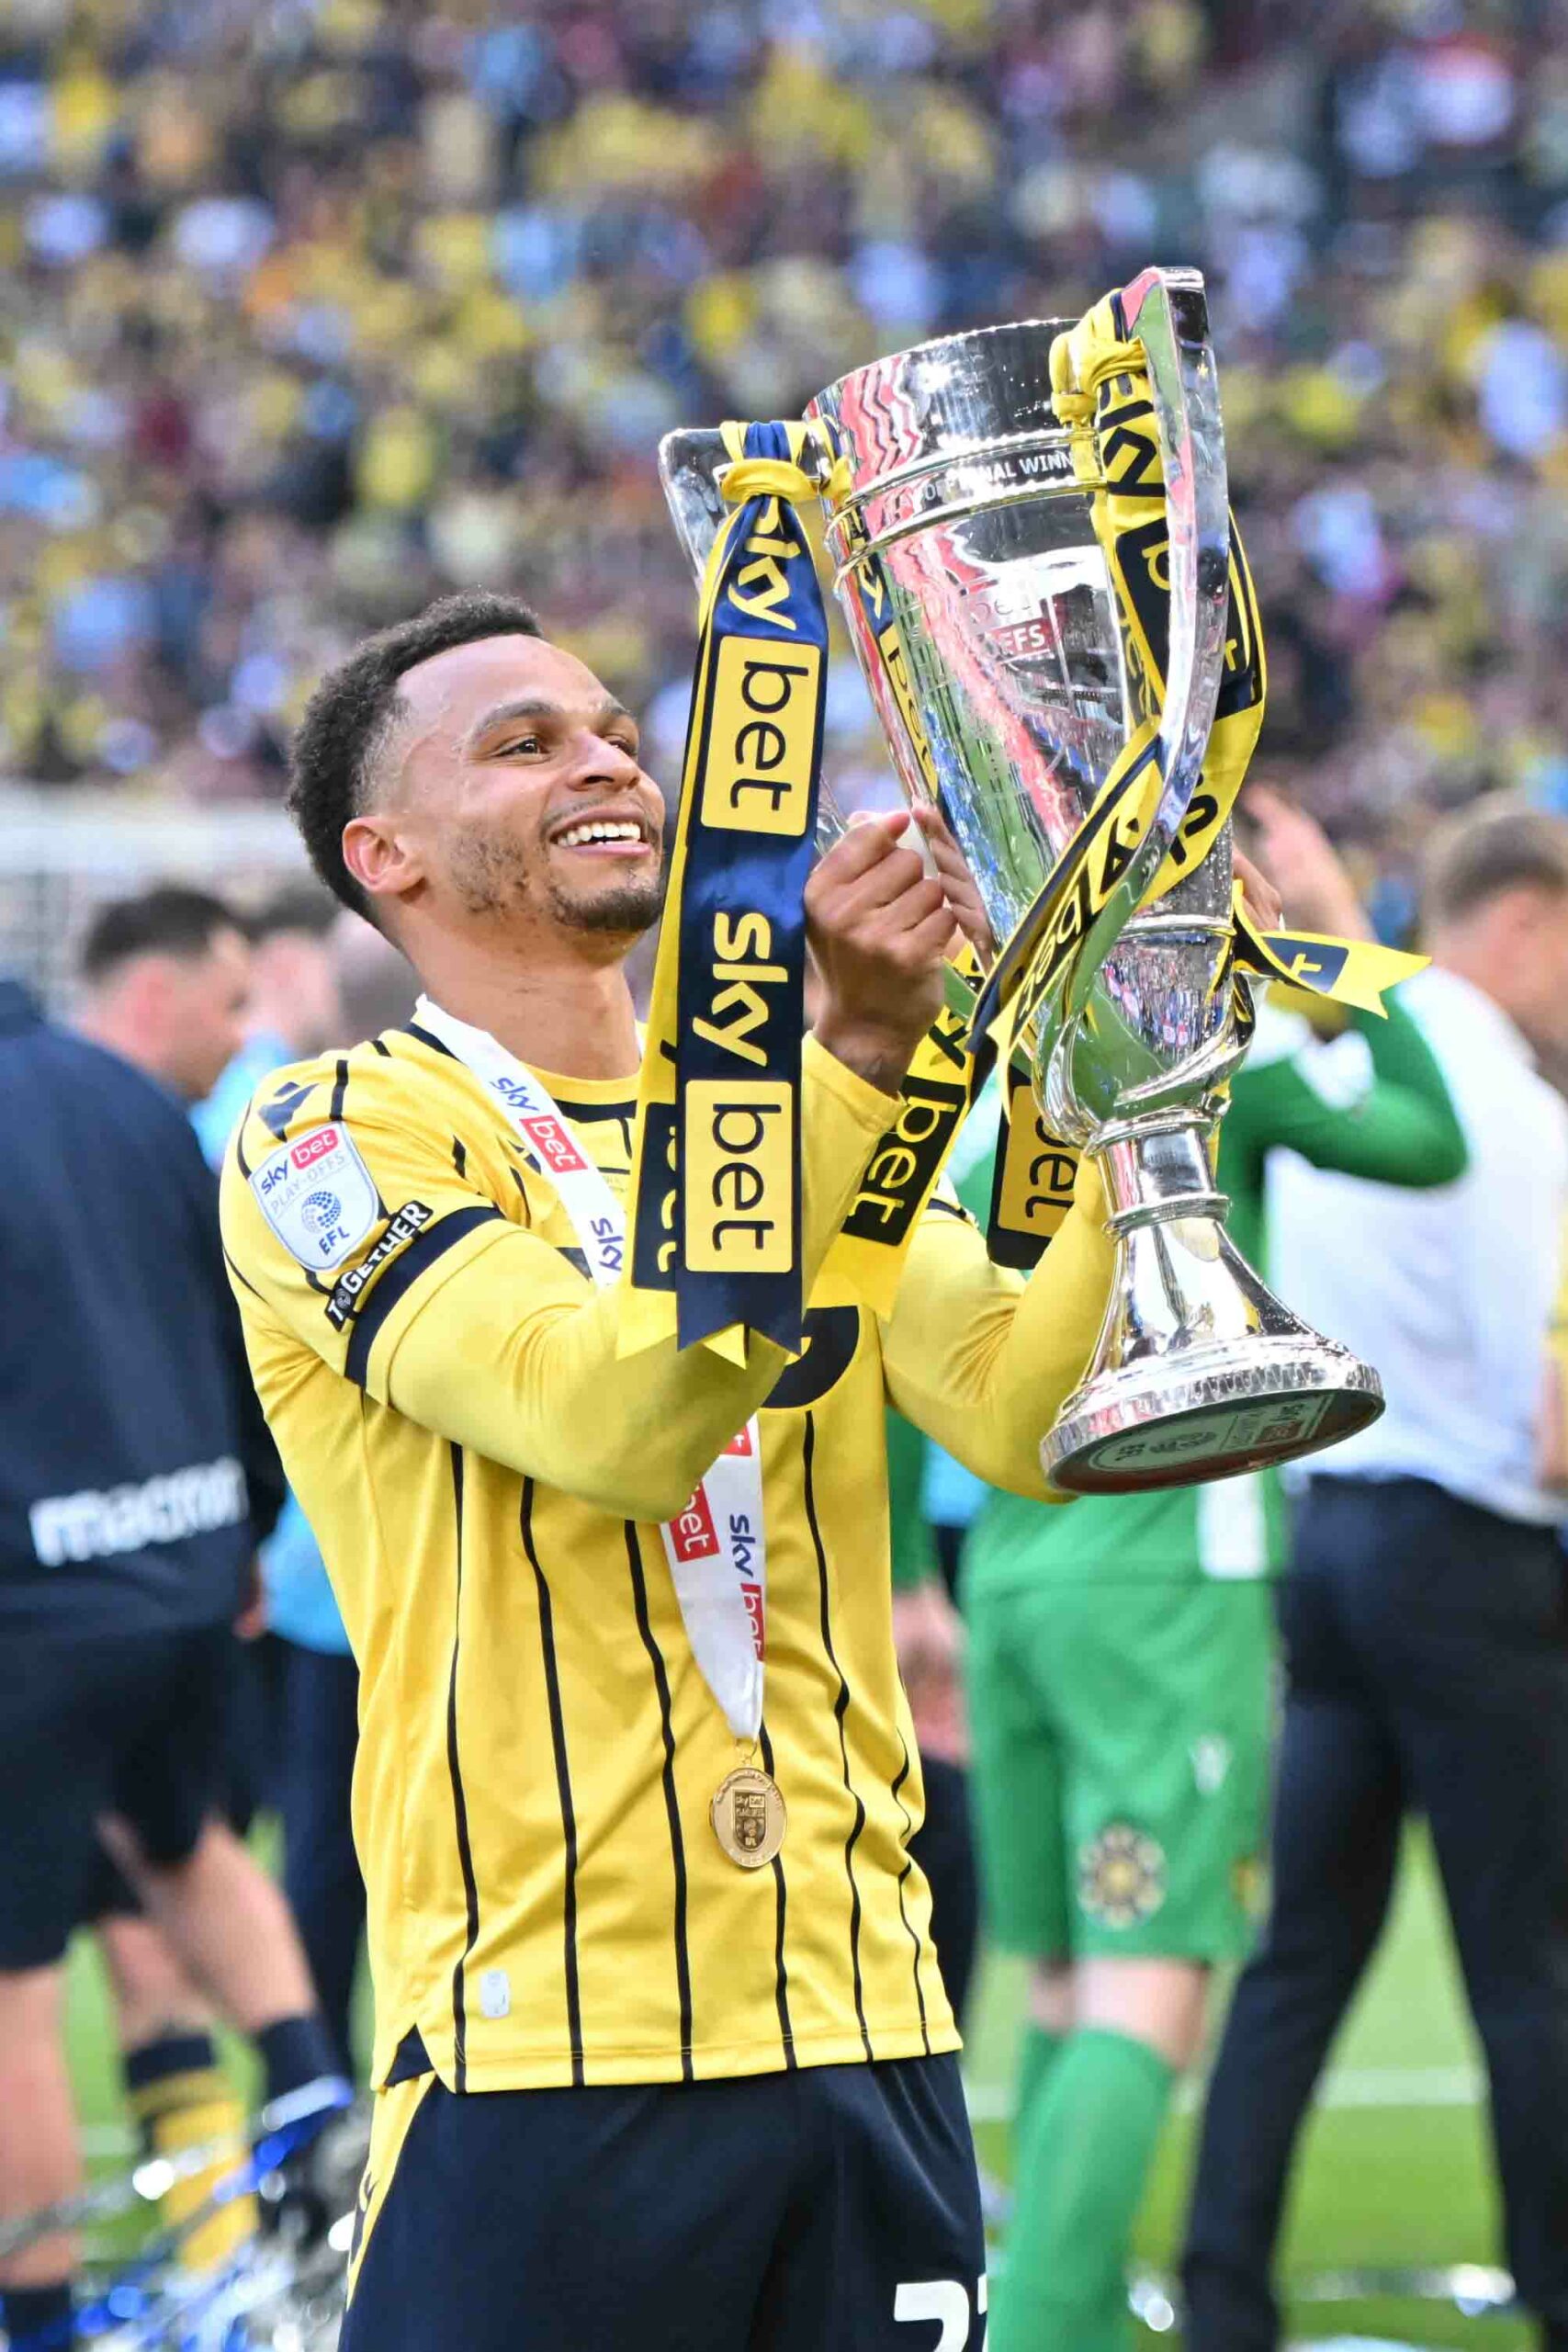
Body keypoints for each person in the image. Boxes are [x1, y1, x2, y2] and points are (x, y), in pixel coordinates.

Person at [219, 589, 1124, 2352]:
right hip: (549, 2049)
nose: (605, 760)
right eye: (523, 742)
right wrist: (851, 1065)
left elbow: (1030, 1415)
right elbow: (607, 1424)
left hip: (868, 2022)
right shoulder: (330, 1133)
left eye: (616, 730)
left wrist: (1130, 1080)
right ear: (382, 853)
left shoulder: (783, 1114)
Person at [1183, 797, 1568, 2352]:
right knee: (1526, 1965)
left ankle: (1223, 2293)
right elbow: (1547, 1421)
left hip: (1327, 1536)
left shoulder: (1328, 1071)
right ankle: (1557, 2289)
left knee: (1297, 1965)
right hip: (1474, 1551)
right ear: (1527, 919)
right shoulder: (1515, 1115)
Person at [0, 951, 344, 2350]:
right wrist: (247, 1526)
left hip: (35, 1605)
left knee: (15, 1987)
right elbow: (229, 1332)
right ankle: (319, 2137)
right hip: (189, 1566)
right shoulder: (132, 1099)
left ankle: (32, 2320)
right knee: (192, 1849)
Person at [194, 884, 368, 2077]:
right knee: (327, 1855)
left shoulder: (273, 1117)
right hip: (323, 1572)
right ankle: (319, 2121)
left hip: (310, 1567)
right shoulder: (273, 1119)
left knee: (323, 1852)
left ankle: (315, 2121)